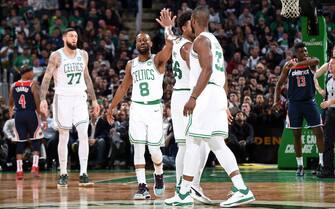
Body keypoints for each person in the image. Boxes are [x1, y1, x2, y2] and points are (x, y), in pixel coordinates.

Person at [164, 6, 255, 207]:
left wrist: (193, 97)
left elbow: (207, 69)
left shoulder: (201, 40)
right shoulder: (215, 42)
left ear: (195, 22)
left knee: (195, 141)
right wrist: (224, 103)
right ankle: (240, 188)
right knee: (215, 144)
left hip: (206, 95)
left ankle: (185, 192)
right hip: (216, 93)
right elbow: (221, 75)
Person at [106, 9, 174, 199]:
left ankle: (159, 174)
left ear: (151, 43)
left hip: (153, 109)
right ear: (136, 44)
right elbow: (122, 88)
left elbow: (169, 47)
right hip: (136, 108)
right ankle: (142, 187)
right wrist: (111, 107)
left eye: (146, 39)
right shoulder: (131, 65)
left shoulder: (158, 60)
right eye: (139, 40)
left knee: (154, 151)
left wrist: (168, 28)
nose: (142, 42)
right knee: (138, 147)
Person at [39, 28, 100, 187]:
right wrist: (43, 99)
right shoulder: (56, 56)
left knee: (83, 135)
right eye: (71, 36)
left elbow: (87, 77)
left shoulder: (83, 54)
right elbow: (46, 78)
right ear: (64, 38)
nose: (74, 39)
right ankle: (63, 173)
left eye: (76, 36)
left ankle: (84, 173)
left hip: (80, 98)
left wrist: (94, 100)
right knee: (64, 136)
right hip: (63, 98)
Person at [171, 10, 211, 204]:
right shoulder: (187, 47)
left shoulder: (177, 41)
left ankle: (186, 186)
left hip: (181, 94)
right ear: (185, 27)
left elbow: (171, 38)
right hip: (187, 94)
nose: (195, 28)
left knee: (190, 144)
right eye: (191, 25)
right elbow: (197, 68)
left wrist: (166, 30)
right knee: (195, 143)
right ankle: (189, 185)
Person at [274, 42, 324, 176]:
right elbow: (278, 85)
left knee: (319, 132)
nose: (305, 54)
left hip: (309, 102)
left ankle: (321, 163)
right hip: (294, 104)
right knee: (296, 135)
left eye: (306, 51)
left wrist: (296, 65)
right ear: (296, 53)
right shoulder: (288, 65)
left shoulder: (311, 62)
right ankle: (300, 165)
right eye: (302, 52)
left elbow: (317, 60)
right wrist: (276, 100)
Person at [8, 65, 45, 180]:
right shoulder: (33, 84)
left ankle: (19, 171)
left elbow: (10, 104)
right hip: (31, 114)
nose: (33, 74)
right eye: (31, 72)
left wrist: (12, 115)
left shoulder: (13, 85)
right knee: (36, 140)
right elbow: (38, 103)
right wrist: (42, 117)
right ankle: (34, 167)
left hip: (18, 115)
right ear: (26, 73)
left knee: (20, 142)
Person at [314, 46, 335, 178]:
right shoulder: (329, 76)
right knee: (327, 141)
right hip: (330, 112)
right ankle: (327, 168)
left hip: (330, 106)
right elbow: (314, 76)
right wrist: (321, 91)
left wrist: (329, 102)